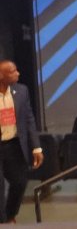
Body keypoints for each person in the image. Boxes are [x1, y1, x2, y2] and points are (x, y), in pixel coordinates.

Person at [0, 60, 41, 223]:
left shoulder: (22, 91)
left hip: (13, 146)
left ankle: (10, 214)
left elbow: (29, 119)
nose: (18, 74)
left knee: (19, 182)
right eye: (13, 71)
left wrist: (36, 147)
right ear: (1, 76)